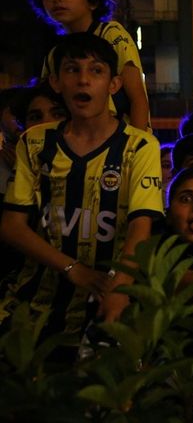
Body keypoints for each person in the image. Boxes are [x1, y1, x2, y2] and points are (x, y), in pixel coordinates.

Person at [0, 33, 163, 352]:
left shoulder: (140, 146)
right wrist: (74, 269)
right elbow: (11, 226)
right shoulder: (35, 143)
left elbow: (140, 228)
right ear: (56, 82)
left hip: (106, 301)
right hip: (35, 305)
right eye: (72, 69)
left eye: (96, 70)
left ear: (114, 84)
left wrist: (120, 287)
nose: (83, 80)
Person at [23, 0, 150, 131]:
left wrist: (137, 145)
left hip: (119, 141)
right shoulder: (54, 54)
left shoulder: (111, 34)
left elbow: (137, 98)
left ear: (92, 0)